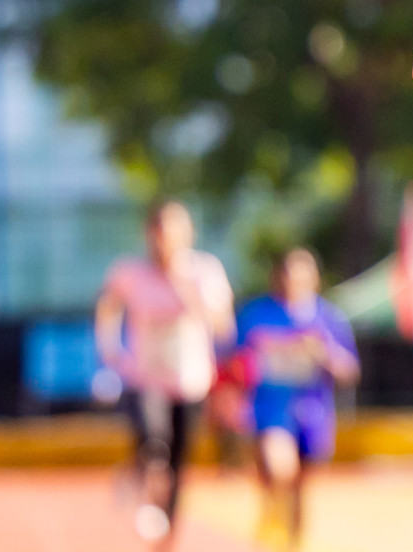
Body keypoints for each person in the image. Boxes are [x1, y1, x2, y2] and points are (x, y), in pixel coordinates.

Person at [96, 199, 235, 547]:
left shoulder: (205, 271)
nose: (165, 240)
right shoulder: (129, 273)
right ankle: (145, 489)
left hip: (190, 382)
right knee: (153, 443)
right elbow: (107, 305)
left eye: (173, 231)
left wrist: (186, 288)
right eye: (159, 232)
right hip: (146, 378)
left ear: (188, 234)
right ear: (149, 234)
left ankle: (167, 535)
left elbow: (223, 327)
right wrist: (111, 350)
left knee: (177, 465)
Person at [234, 247, 360, 552]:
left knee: (301, 488)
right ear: (277, 276)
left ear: (314, 278)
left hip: (314, 412)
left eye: (302, 273)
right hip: (270, 409)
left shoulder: (329, 317)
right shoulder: (255, 315)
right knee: (280, 469)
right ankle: (271, 514)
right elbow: (232, 362)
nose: (294, 280)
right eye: (288, 273)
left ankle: (291, 542)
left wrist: (324, 355)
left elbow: (349, 370)